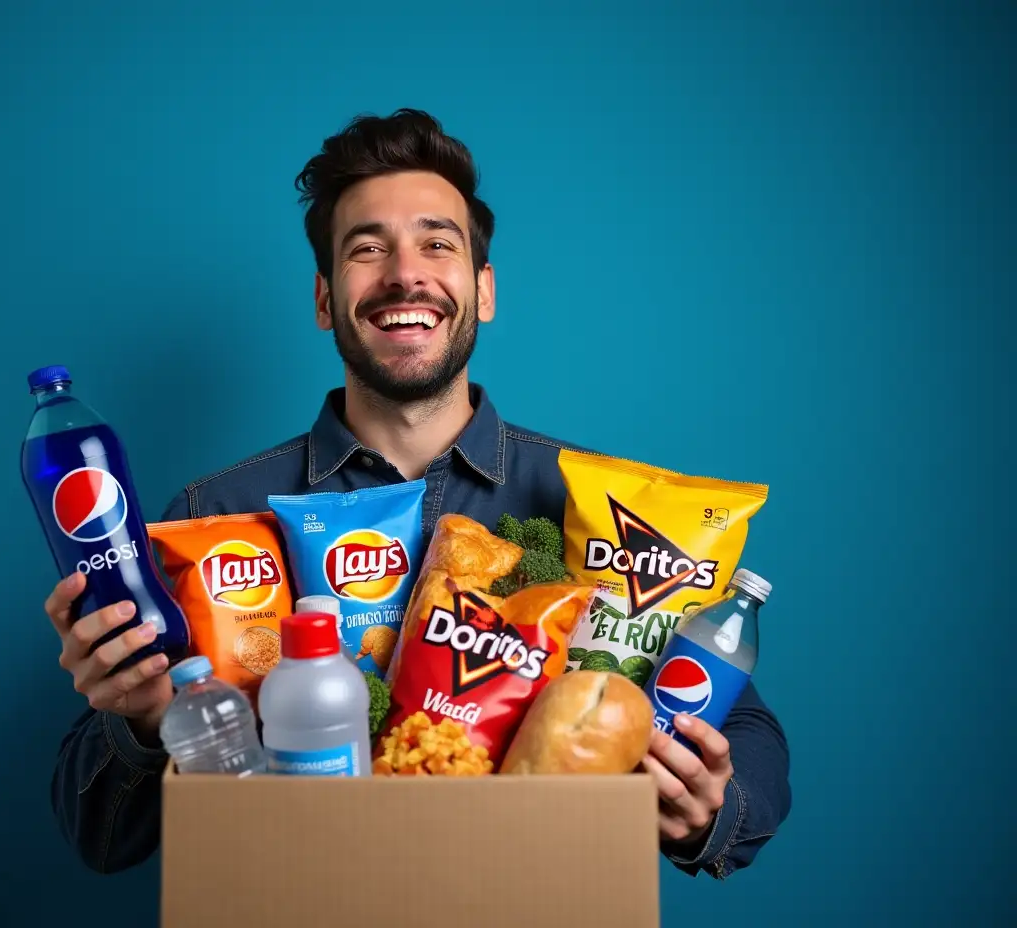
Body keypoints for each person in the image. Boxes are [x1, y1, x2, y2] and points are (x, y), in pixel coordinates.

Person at [45, 108, 791, 879]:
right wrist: (133, 717)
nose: (406, 273)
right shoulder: (213, 516)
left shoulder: (596, 507)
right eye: (367, 249)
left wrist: (711, 802)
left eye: (439, 243)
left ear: (484, 289)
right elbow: (99, 838)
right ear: (326, 300)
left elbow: (750, 737)